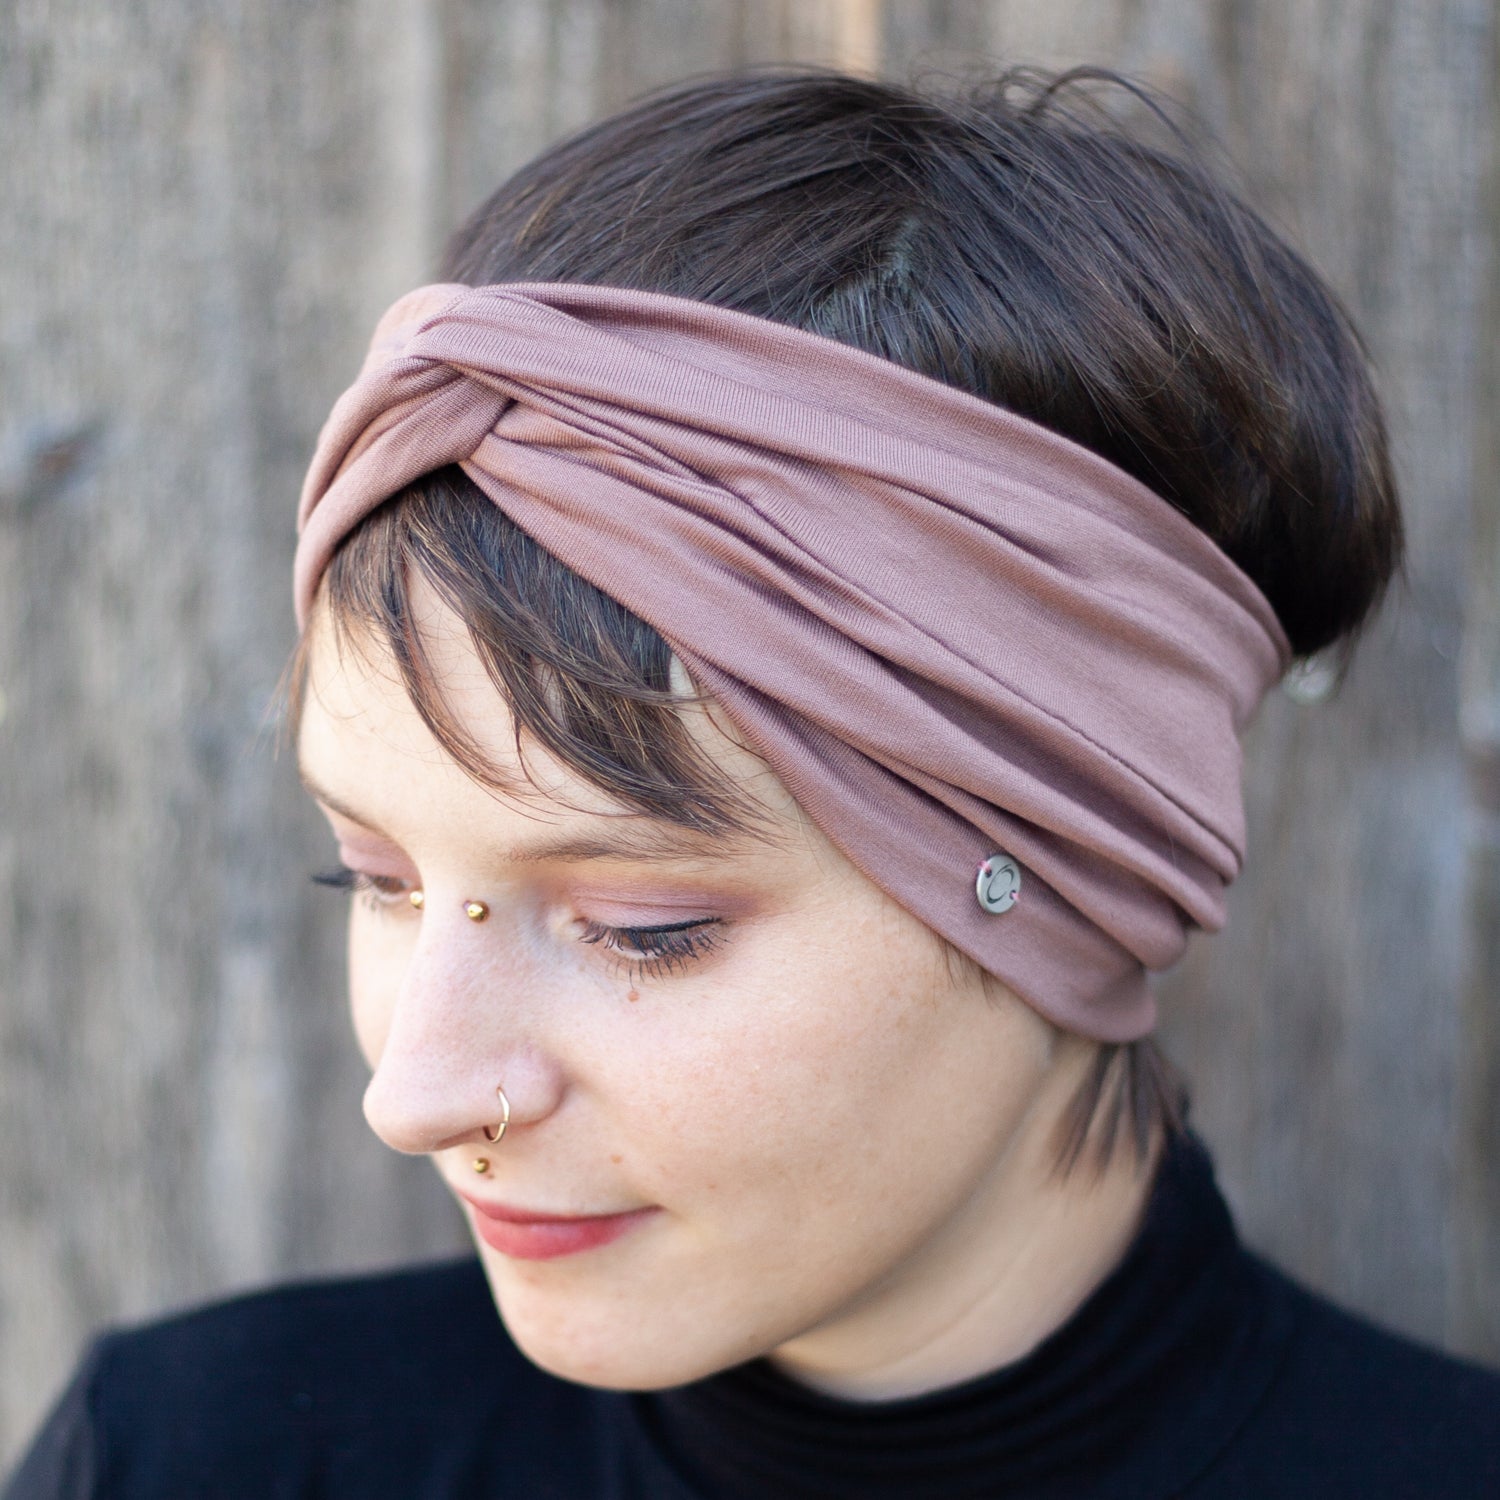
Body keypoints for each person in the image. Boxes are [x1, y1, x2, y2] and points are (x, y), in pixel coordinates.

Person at [7, 67, 1498, 1499]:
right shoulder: (192, 1460)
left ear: (1080, 872)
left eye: (643, 927)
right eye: (377, 877)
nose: (416, 1096)